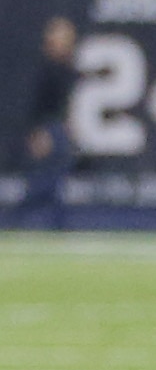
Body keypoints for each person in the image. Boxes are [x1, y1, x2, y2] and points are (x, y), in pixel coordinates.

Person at [17, 15, 76, 228]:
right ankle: (15, 222)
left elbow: (65, 104)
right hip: (49, 128)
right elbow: (40, 105)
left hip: (59, 128)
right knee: (40, 182)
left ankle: (57, 226)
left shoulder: (66, 66)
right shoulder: (47, 68)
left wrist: (68, 126)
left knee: (57, 182)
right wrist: (39, 132)